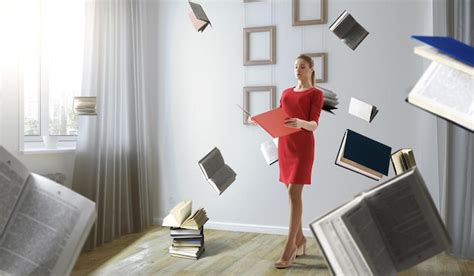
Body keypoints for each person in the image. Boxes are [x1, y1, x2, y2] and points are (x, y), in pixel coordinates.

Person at [250, 54, 324, 269]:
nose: (298, 70)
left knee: (294, 193)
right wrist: (257, 120)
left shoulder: (316, 94)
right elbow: (278, 117)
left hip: (303, 147)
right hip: (284, 146)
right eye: (295, 67)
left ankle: (290, 246)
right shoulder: (286, 93)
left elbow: (314, 125)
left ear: (311, 69)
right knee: (291, 196)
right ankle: (300, 239)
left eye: (302, 66)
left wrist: (301, 122)